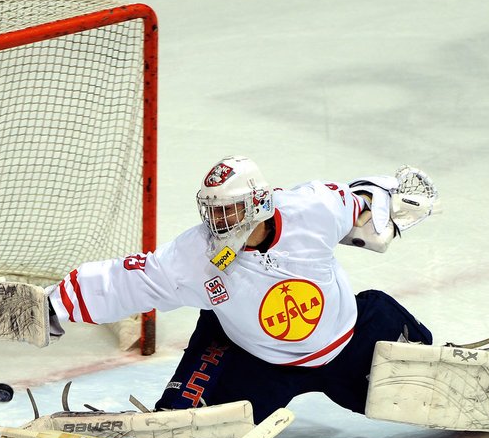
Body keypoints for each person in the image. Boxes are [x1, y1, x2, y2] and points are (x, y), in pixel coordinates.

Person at [46, 155, 439, 423]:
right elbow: (131, 279)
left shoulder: (312, 208)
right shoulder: (196, 254)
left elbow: (360, 206)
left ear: (258, 203)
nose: (217, 220)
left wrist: (383, 203)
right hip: (255, 362)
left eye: (227, 210)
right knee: (185, 429)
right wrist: (51, 306)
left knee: (424, 378)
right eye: (212, 210)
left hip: (348, 345)